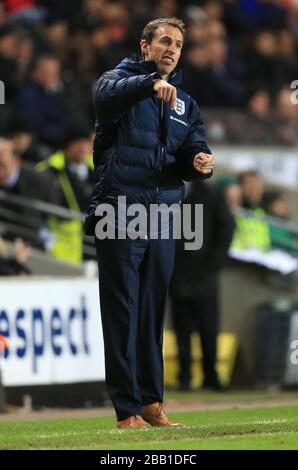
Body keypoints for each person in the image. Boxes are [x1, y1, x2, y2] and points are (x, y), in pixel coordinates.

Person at [85, 17, 215, 429]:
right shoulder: (119, 80)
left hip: (163, 214)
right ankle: (125, 409)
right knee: (122, 309)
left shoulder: (184, 103)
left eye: (177, 43)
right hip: (119, 210)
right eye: (163, 41)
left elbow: (191, 146)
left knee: (152, 310)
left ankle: (150, 402)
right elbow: (104, 100)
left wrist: (199, 164)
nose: (171, 48)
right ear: (145, 46)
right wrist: (147, 84)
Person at [170, 181, 234, 391]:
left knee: (208, 328)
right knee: (181, 329)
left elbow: (226, 225)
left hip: (204, 273)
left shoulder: (211, 193)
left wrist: (214, 261)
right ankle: (185, 377)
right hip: (177, 272)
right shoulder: (167, 190)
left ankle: (211, 376)